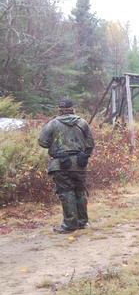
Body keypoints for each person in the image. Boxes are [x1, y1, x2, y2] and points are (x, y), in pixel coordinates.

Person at [38, 98, 95, 233]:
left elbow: (42, 142)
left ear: (60, 109)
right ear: (73, 108)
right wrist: (83, 155)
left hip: (60, 164)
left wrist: (56, 144)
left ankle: (69, 225)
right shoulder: (82, 122)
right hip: (80, 164)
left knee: (66, 192)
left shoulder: (53, 124)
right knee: (79, 191)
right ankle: (82, 222)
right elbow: (90, 143)